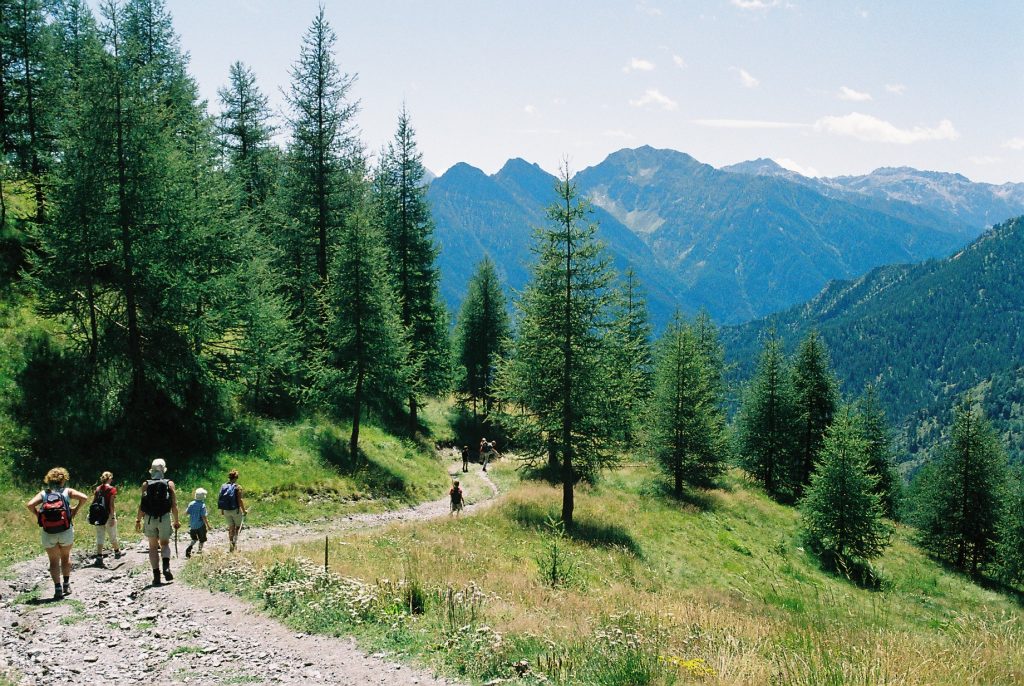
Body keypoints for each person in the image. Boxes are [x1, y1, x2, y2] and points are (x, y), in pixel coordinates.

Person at [25, 467, 89, 599]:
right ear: (63, 479)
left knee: (53, 561)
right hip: (65, 529)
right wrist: (75, 511)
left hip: (48, 532)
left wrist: (39, 516)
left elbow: (30, 505)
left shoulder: (44, 493)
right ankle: (66, 584)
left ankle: (57, 588)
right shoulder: (67, 491)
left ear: (49, 480)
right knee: (65, 557)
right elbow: (84, 497)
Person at [135, 458, 180, 586]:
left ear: (152, 470)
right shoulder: (169, 483)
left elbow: (142, 505)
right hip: (164, 517)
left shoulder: (146, 484)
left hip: (149, 518)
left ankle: (156, 576)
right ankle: (166, 567)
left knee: (153, 547)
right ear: (164, 470)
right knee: (165, 544)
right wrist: (176, 520)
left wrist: (138, 520)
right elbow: (174, 505)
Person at [92, 471, 122, 566]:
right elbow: (111, 505)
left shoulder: (97, 489)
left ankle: (99, 556)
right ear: (109, 479)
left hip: (98, 515)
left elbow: (93, 502)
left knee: (100, 535)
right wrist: (112, 517)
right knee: (112, 534)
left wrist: (91, 514)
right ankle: (117, 552)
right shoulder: (112, 489)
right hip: (108, 514)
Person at [218, 470, 247, 552]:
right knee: (238, 527)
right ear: (236, 478)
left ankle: (231, 543)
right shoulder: (238, 487)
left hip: (226, 510)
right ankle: (234, 542)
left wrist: (222, 510)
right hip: (235, 510)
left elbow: (222, 498)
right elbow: (239, 500)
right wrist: (244, 511)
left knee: (231, 527)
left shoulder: (223, 486)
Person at [184, 488, 210, 558]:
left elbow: (186, 513)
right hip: (200, 525)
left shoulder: (191, 504)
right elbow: (204, 516)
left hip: (192, 525)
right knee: (202, 539)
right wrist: (208, 525)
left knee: (194, 539)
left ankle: (190, 547)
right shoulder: (202, 505)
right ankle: (200, 550)